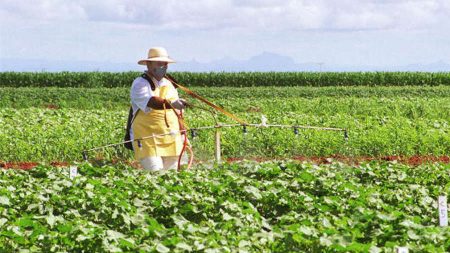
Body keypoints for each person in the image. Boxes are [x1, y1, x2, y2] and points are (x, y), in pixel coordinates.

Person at [130, 47, 188, 171]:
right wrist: (171, 103)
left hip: (171, 137)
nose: (163, 66)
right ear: (149, 64)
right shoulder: (140, 83)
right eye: (159, 63)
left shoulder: (169, 84)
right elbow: (151, 102)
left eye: (165, 63)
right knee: (156, 173)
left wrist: (183, 132)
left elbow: (177, 112)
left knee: (172, 176)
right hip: (147, 138)